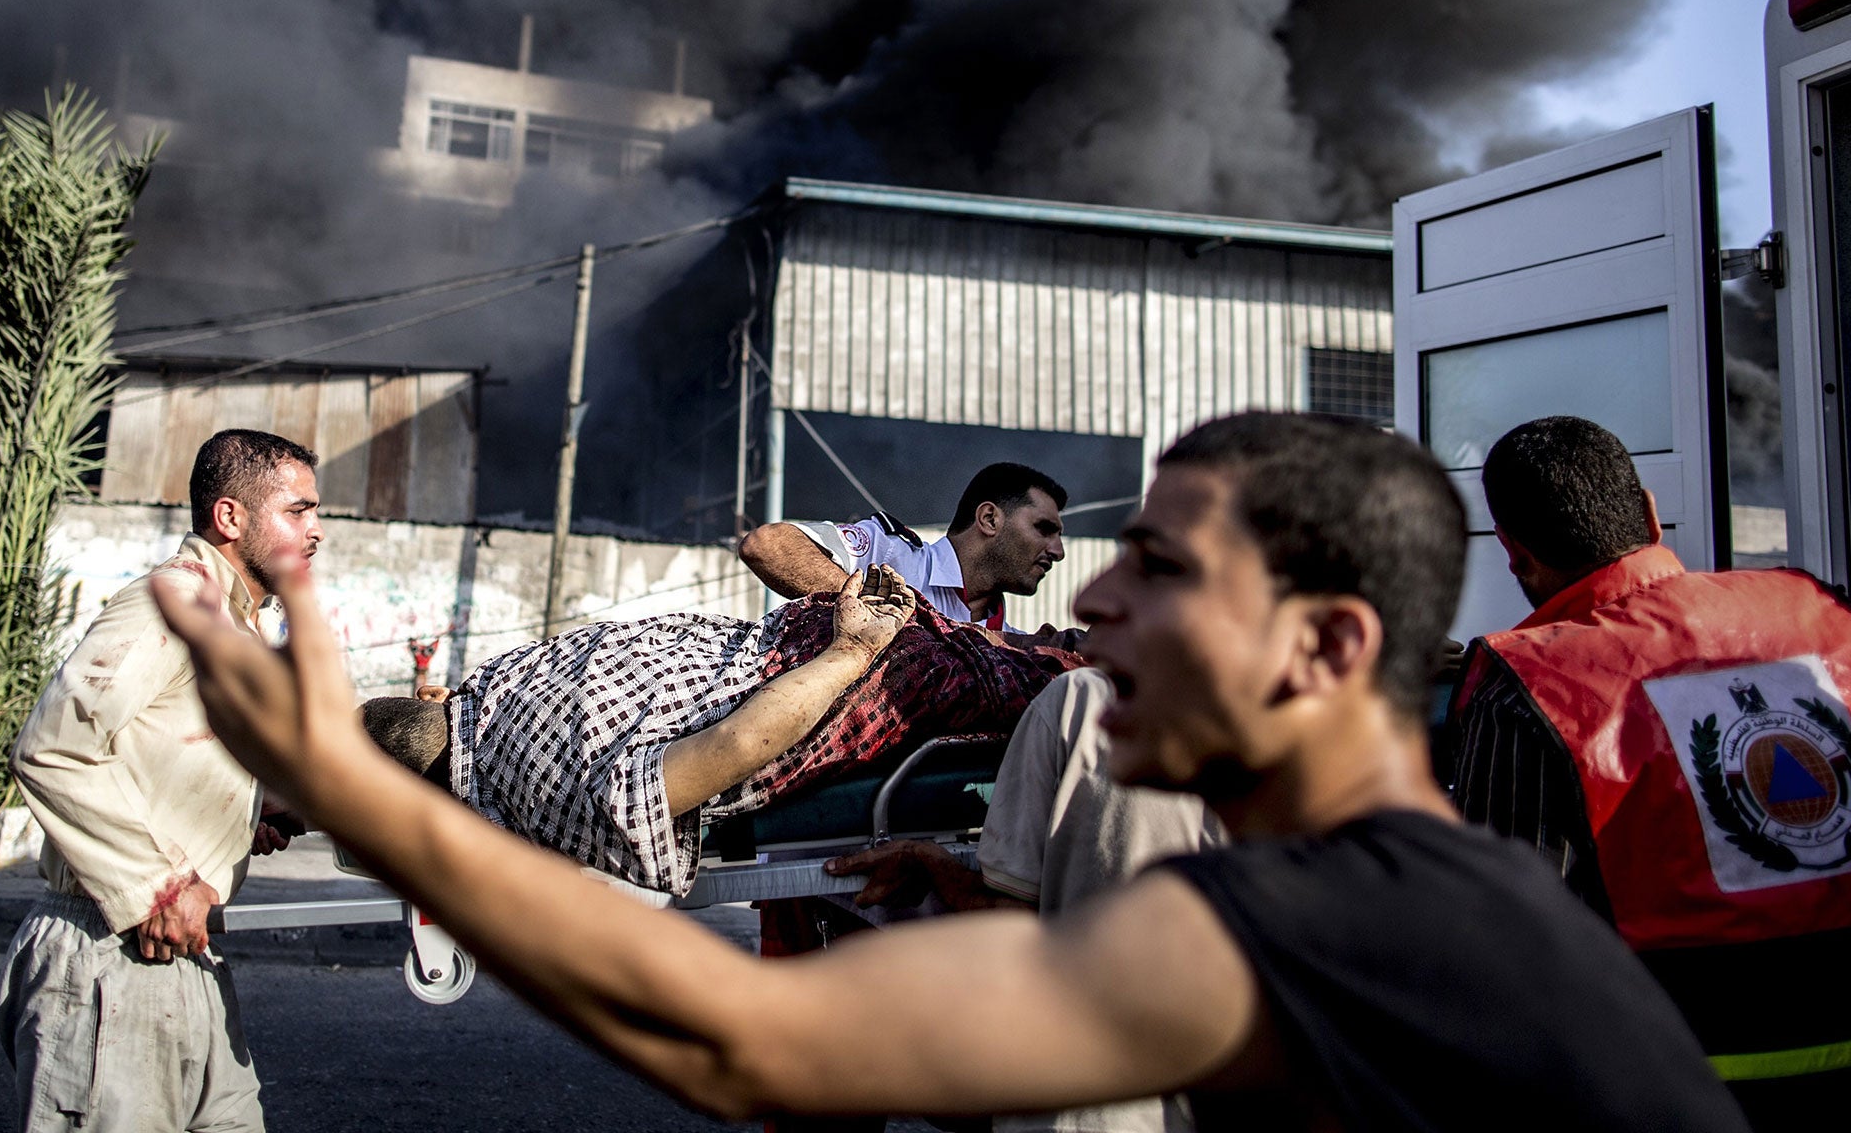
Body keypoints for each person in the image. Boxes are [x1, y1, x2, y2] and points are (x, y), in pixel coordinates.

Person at [155, 411, 1746, 1132]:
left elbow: (744, 1047)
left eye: (1163, 574)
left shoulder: (1308, 931)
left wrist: (376, 806)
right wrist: (1002, 891)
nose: (1096, 600)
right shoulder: (1366, 890)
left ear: (1322, 652)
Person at [1451, 415, 1851, 1125]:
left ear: (1516, 556)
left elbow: (1506, 939)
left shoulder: (1527, 682)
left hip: (1679, 1087)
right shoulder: (1820, 607)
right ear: (1649, 514)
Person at [360, 568, 1081, 895]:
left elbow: (734, 749)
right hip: (812, 625)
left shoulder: (545, 794)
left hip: (849, 680)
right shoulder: (501, 677)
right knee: (1045, 654)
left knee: (1074, 684)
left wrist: (855, 653)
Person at [1, 429, 322, 1133]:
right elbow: (52, 750)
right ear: (230, 517)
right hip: (113, 953)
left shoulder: (233, 622)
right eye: (297, 512)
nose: (316, 530)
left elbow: (155, 750)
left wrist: (244, 810)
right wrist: (161, 885)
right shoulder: (167, 606)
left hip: (187, 954)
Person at [829, 667, 1221, 1133]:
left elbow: (1009, 917)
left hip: (1085, 1101)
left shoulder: (1080, 701)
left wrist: (932, 864)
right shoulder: (1297, 723)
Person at [740, 462, 1068, 631]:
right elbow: (765, 546)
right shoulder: (888, 554)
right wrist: (871, 607)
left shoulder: (1014, 651)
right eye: (1044, 529)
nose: (1058, 551)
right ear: (989, 519)